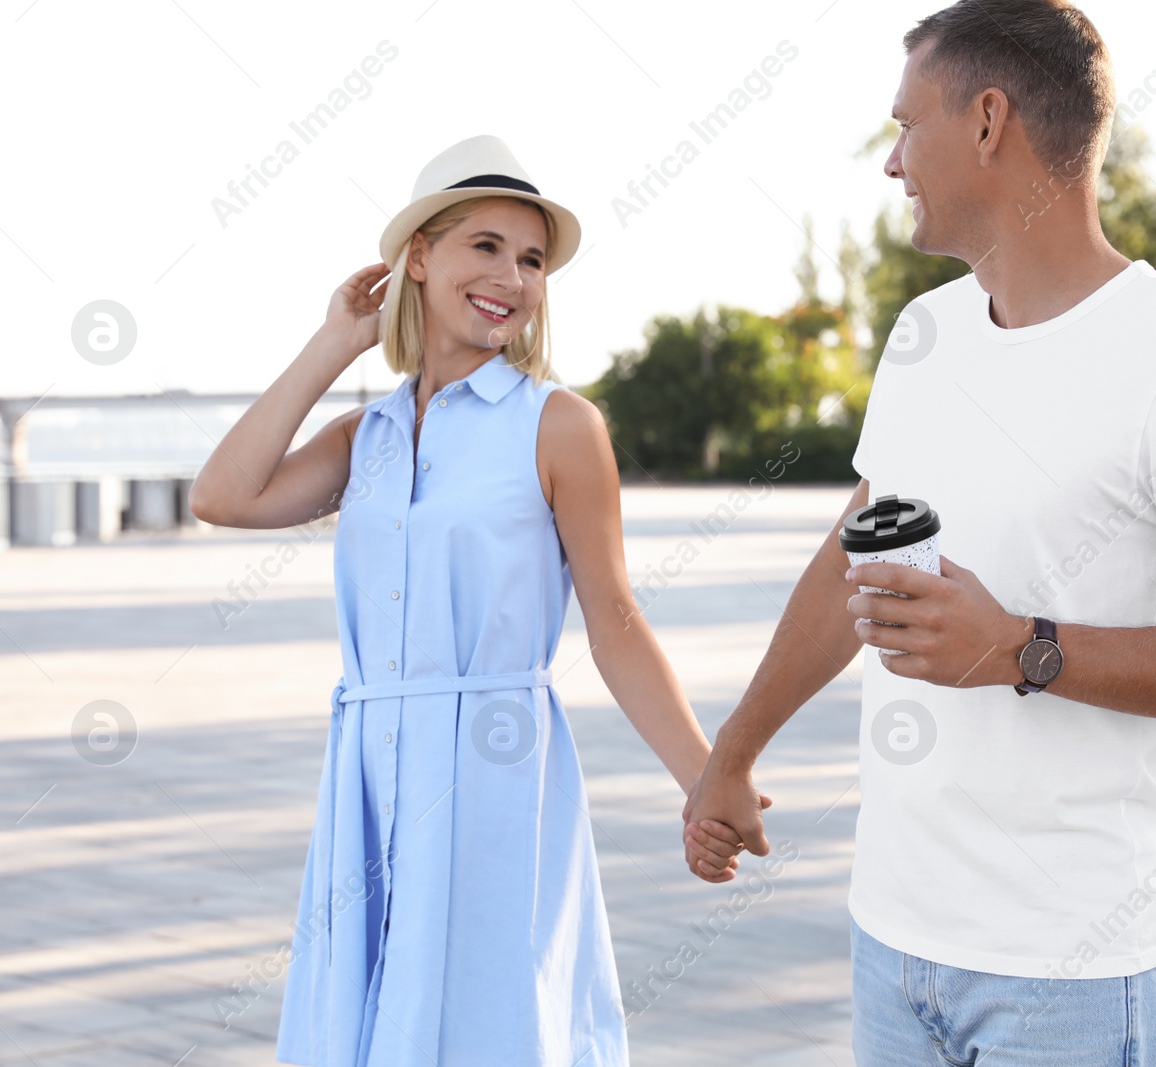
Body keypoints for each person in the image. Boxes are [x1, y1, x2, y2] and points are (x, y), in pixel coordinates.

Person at [680, 3, 1156, 1065]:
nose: (890, 163)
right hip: (891, 948)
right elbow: (854, 555)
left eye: (904, 125)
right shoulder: (924, 333)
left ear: (987, 121)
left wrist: (1022, 646)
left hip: (1069, 976)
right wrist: (731, 752)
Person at [189, 135, 755, 1067]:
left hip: (495, 771)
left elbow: (613, 620)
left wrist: (706, 776)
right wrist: (335, 342)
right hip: (368, 774)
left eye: (531, 259)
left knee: (493, 1025)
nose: (514, 277)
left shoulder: (559, 424)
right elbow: (223, 495)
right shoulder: (363, 435)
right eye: (485, 246)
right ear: (418, 258)